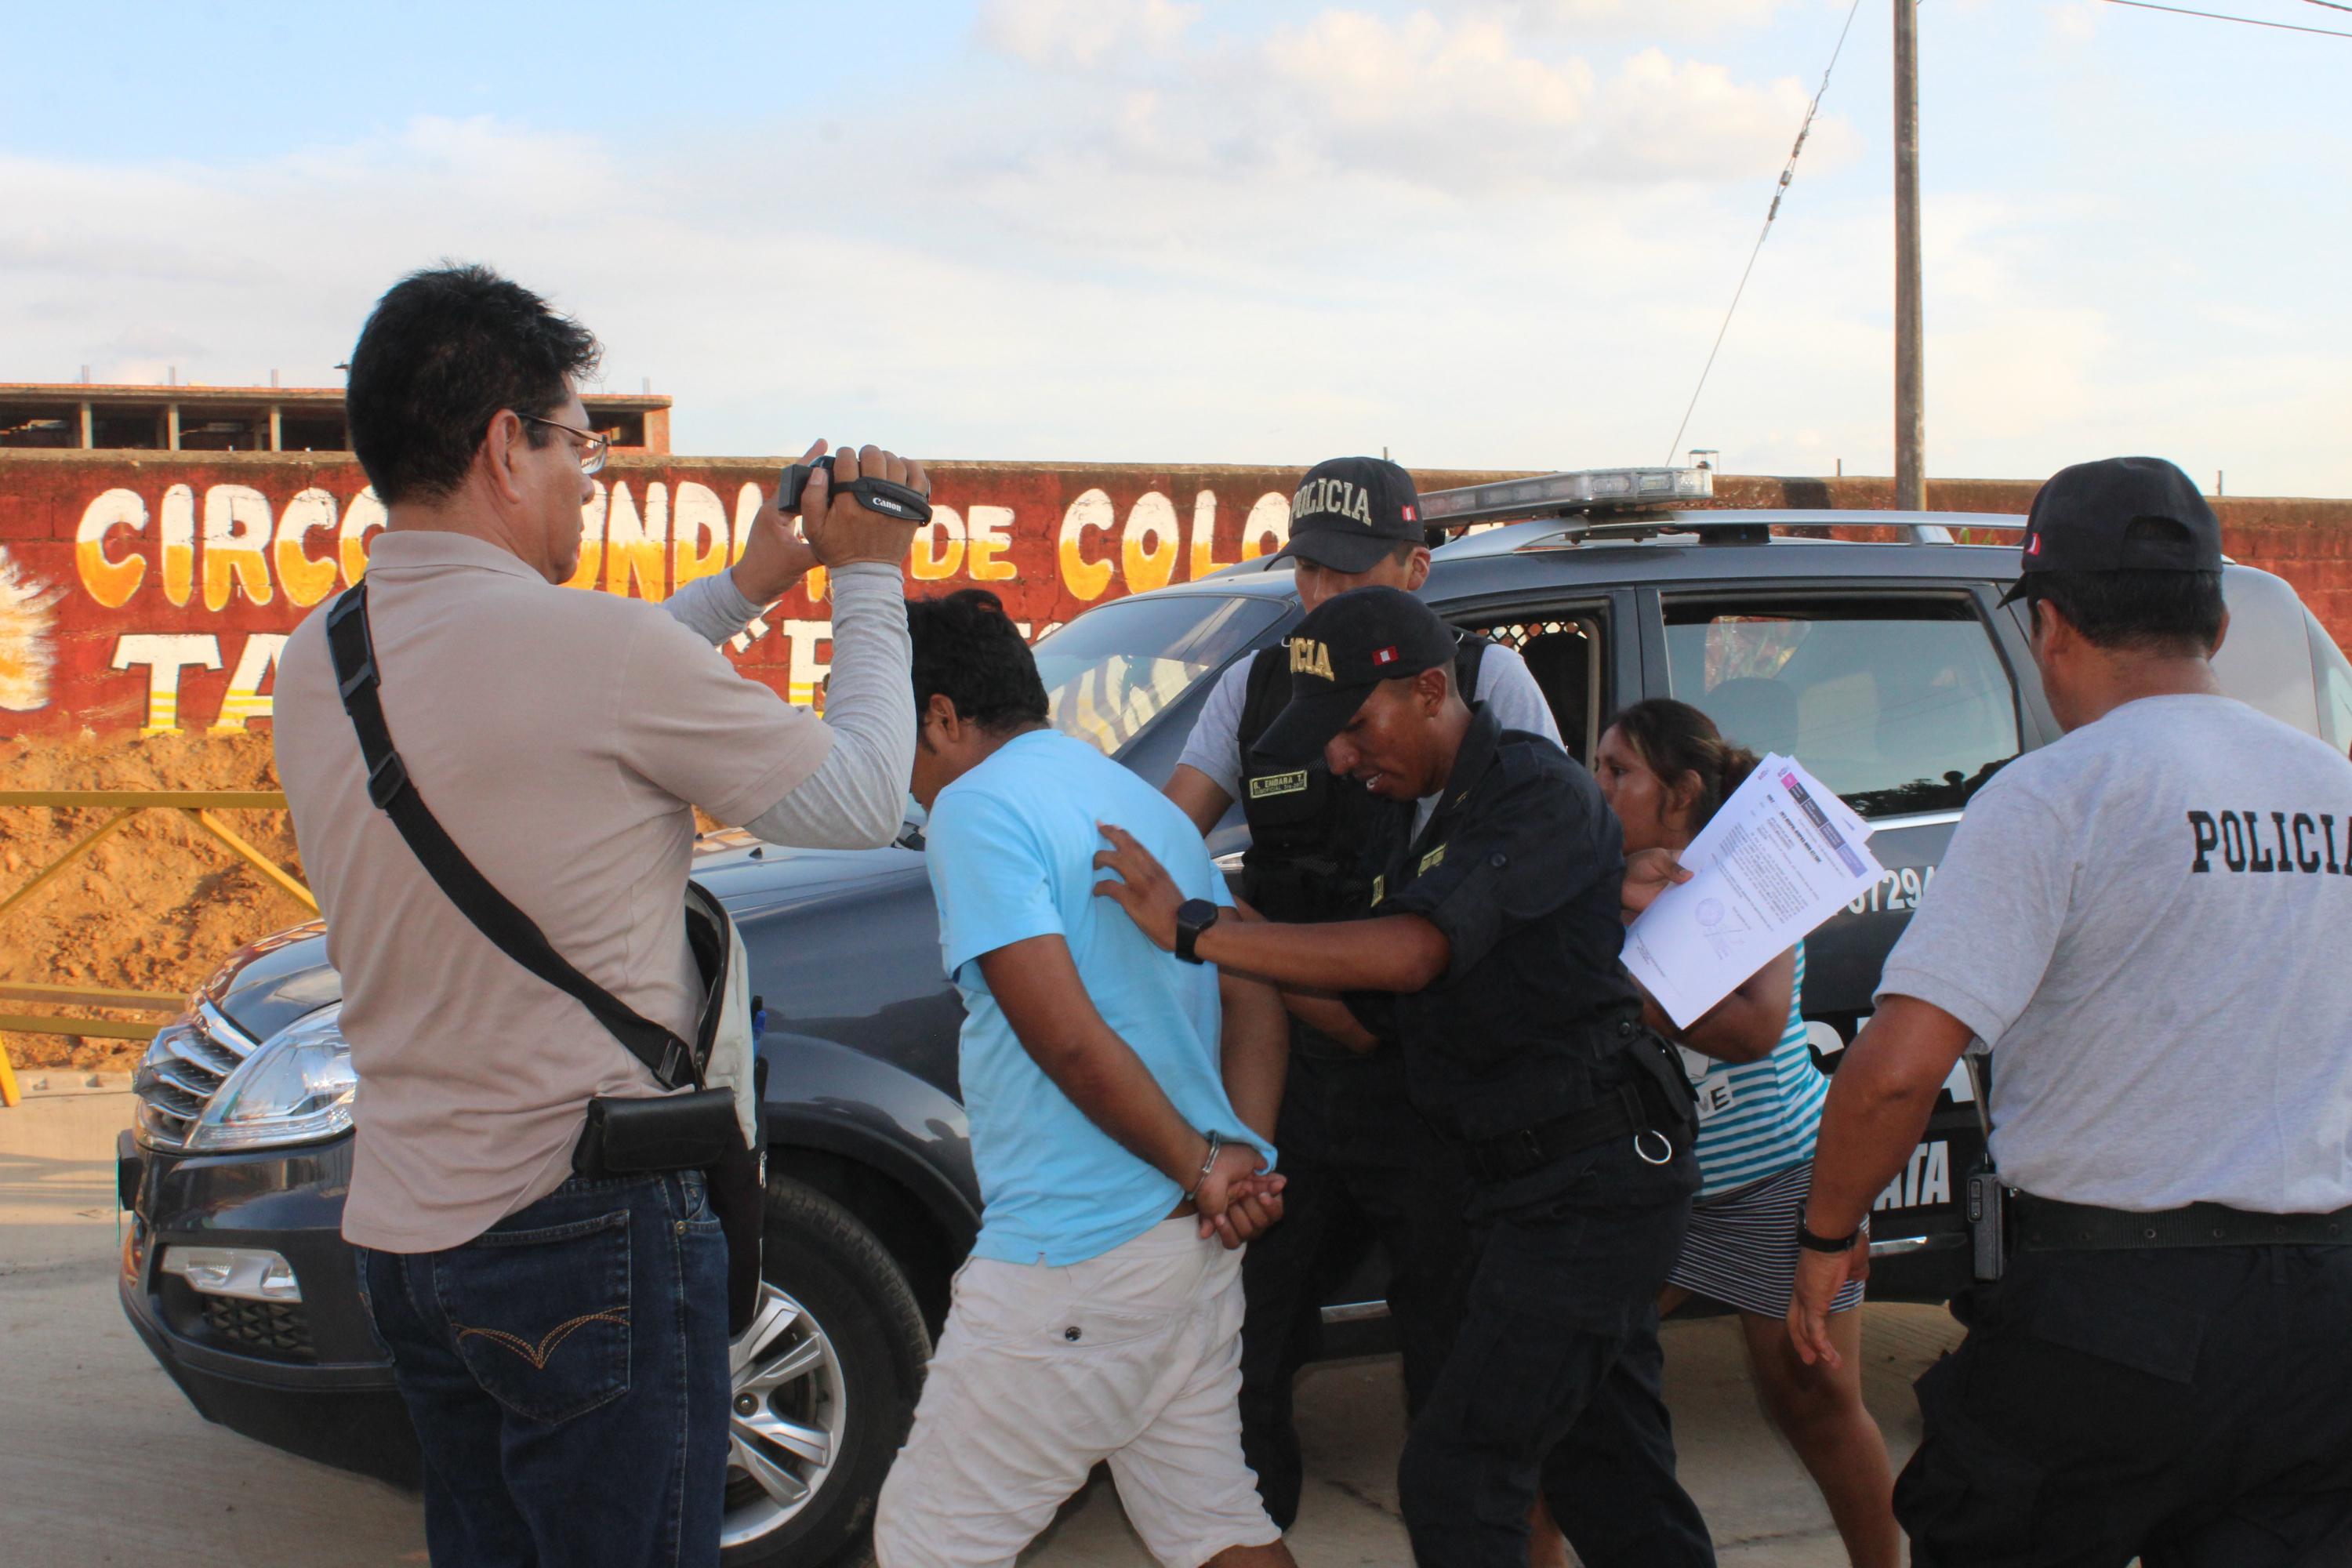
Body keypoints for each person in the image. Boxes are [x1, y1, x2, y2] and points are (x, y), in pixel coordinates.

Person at [272, 264, 925, 1567]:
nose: (589, 476)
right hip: (580, 1230)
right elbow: (859, 800)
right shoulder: (595, 658)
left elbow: (565, 698)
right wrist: (868, 576)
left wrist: (750, 582)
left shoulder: (323, 657)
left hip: (406, 1230)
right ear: (505, 445)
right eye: (583, 443)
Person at [1788, 456, 2352, 1565]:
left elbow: (1901, 1067)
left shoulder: (2057, 794)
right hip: (2324, 1320)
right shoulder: (2335, 790)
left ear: (2050, 626)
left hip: (2109, 1309)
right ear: (2220, 623)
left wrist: (1823, 1234)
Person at [1098, 586, 1715, 1568]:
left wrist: (1201, 927)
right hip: (1524, 1187)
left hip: (1593, 1188)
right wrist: (1225, 925)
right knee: (1609, 1474)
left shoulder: (1533, 790)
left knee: (1458, 1474)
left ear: (1431, 689)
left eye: (1353, 726)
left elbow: (1418, 951)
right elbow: (1362, 1012)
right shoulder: (1415, 816)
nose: (1341, 758)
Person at [1162, 455, 1561, 1528]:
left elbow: (1528, 871)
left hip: (1440, 1083)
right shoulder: (1250, 689)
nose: (1321, 599)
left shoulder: (1480, 686)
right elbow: (1164, 831)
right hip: (1296, 1073)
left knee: (1450, 1353)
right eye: (1308, 573)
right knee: (1246, 1345)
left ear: (1418, 572)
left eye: (1350, 574)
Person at [870, 589, 1296, 1568]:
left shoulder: (976, 807)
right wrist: (1242, 1157)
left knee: (930, 1544)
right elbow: (1258, 989)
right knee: (1212, 1520)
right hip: (1184, 1245)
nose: (894, 772)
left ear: (939, 714)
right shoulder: (1145, 804)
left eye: (888, 733)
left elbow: (1066, 1038)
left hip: (1075, 1252)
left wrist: (1206, 1170)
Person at [1563, 698, 1894, 1568]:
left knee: (1818, 1407)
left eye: (1617, 769)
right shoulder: (1588, 877)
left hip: (1772, 1184)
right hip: (1649, 1189)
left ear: (1682, 791)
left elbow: (1752, 1028)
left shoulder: (1746, 876)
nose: (1595, 784)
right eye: (1595, 765)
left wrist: (1603, 969)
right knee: (1559, 1395)